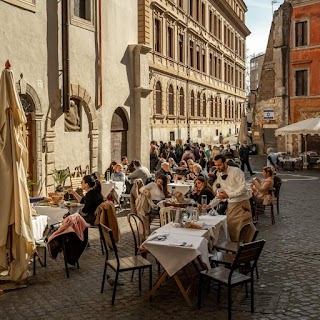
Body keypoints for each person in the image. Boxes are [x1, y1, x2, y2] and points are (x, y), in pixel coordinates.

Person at [213, 154, 252, 241]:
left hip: (242, 204)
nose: (217, 167)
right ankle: (235, 250)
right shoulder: (219, 174)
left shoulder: (236, 171)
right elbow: (220, 192)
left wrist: (229, 195)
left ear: (225, 163)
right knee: (232, 228)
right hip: (231, 206)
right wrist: (209, 205)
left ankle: (244, 251)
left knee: (244, 229)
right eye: (216, 165)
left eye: (219, 165)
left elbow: (243, 187)